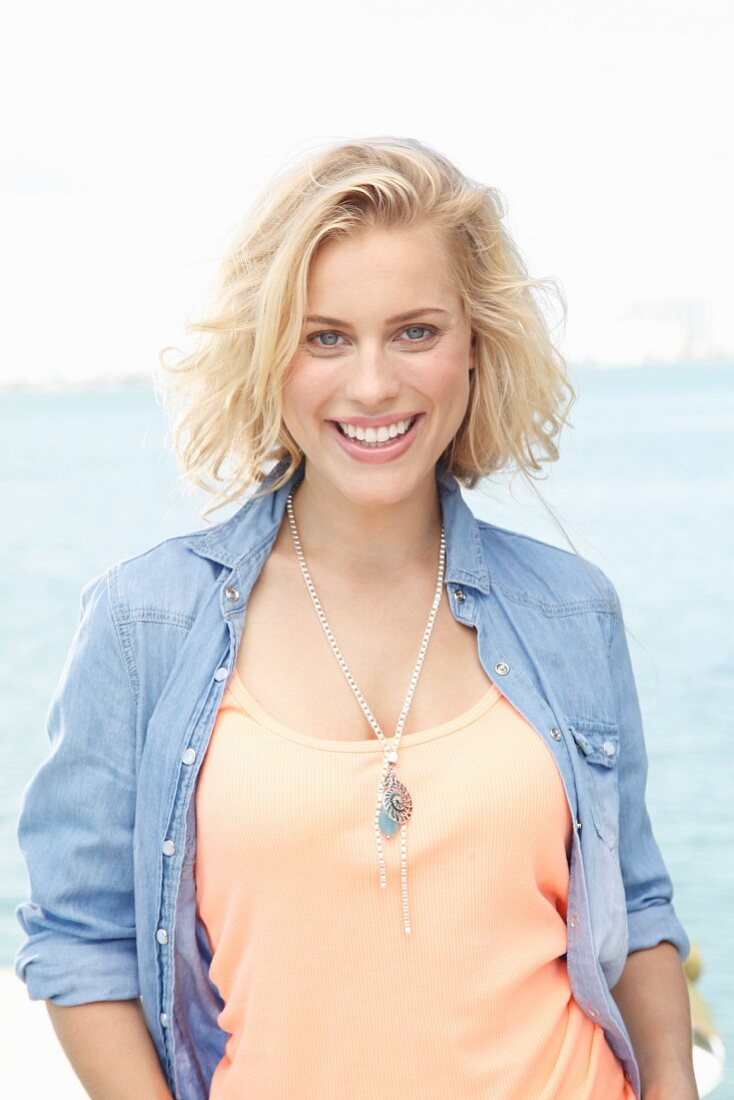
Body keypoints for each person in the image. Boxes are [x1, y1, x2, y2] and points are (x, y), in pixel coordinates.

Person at [14, 136, 697, 1100]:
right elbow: (84, 940)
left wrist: (673, 1083)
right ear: (268, 351)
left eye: (415, 332)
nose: (373, 385)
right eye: (325, 336)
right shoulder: (146, 625)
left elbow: (637, 906)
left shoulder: (570, 610)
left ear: (475, 345)